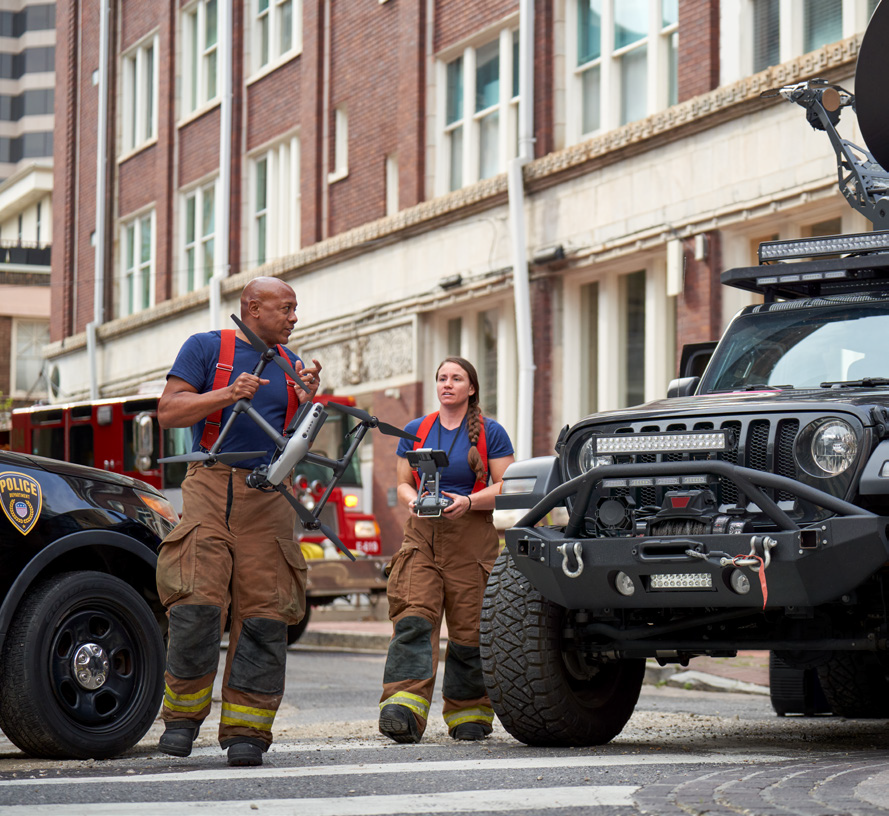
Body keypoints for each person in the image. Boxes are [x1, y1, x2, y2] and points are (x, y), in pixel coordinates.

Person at [155, 276, 321, 767]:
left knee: (266, 613)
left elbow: (293, 439)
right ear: (253, 307)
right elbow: (168, 411)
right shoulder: (206, 347)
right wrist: (227, 393)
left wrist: (310, 398)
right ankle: (182, 720)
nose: (294, 317)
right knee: (197, 605)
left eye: (295, 309)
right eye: (286, 308)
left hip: (268, 494)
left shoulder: (292, 365)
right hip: (210, 483)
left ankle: (249, 730)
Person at [378, 356, 515, 743]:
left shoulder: (492, 433)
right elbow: (404, 481)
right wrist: (412, 500)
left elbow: (507, 486)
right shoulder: (416, 429)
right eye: (441, 378)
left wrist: (468, 502)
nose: (447, 384)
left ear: (471, 388)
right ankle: (402, 708)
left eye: (456, 378)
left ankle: (469, 711)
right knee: (413, 618)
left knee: (470, 630)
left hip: (471, 539)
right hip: (421, 536)